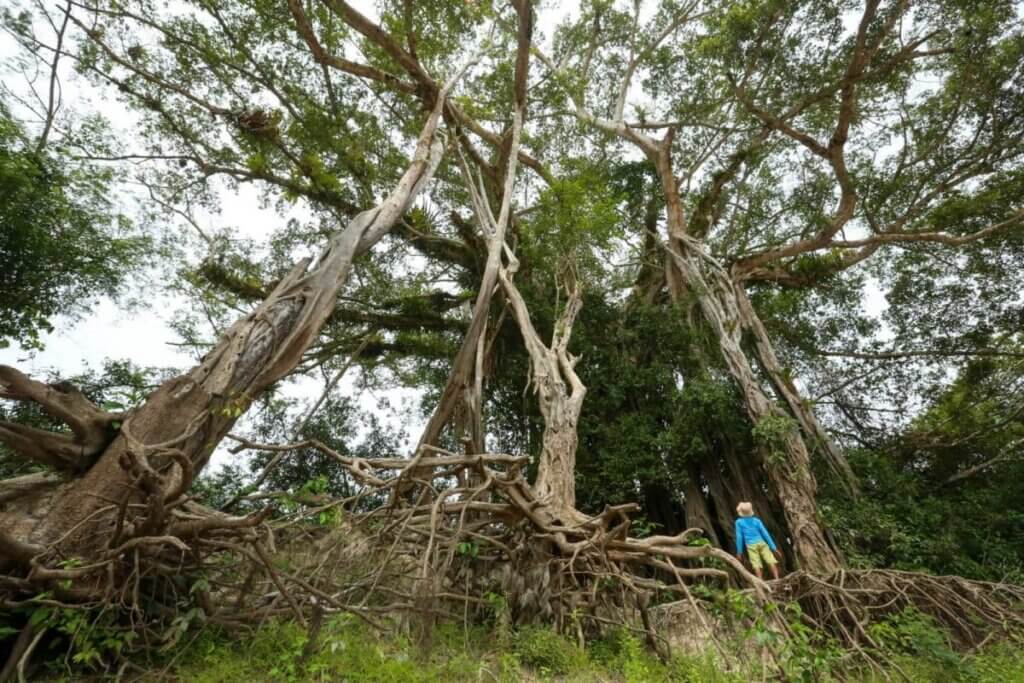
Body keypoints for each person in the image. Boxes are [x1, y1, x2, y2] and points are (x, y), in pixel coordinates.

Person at [734, 501, 782, 580]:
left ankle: (760, 581)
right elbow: (765, 534)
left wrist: (739, 552)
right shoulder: (757, 521)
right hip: (761, 543)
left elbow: (739, 537)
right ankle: (777, 578)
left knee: (756, 563)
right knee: (770, 560)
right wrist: (773, 547)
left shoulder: (738, 522)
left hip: (751, 545)